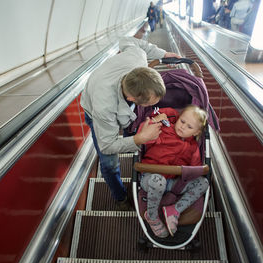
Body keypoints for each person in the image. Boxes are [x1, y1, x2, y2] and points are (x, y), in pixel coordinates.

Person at [80, 36, 180, 210]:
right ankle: (120, 197)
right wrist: (140, 139)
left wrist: (163, 53)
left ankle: (129, 134)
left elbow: (127, 40)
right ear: (132, 98)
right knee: (109, 163)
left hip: (118, 96)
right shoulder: (104, 106)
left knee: (130, 127)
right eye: (149, 104)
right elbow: (107, 146)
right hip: (94, 109)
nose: (153, 107)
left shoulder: (137, 57)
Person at [138, 105, 209, 237]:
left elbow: (195, 170)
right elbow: (142, 135)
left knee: (203, 183)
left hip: (173, 182)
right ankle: (152, 216)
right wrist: (155, 121)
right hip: (151, 177)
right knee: (158, 181)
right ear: (178, 118)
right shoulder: (164, 129)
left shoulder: (193, 148)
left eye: (189, 127)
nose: (183, 127)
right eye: (182, 121)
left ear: (196, 133)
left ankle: (174, 210)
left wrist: (195, 171)